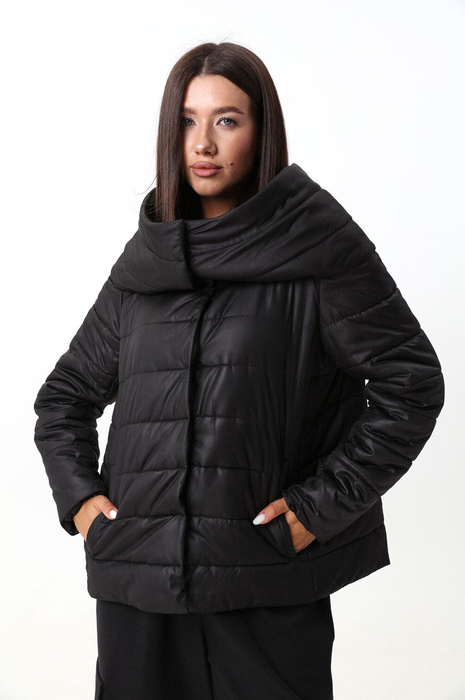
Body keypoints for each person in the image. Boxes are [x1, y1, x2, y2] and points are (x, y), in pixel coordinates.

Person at [34, 42, 444, 700]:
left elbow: (412, 384)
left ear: (262, 131)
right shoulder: (147, 262)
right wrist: (84, 503)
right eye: (187, 122)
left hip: (264, 586)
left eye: (226, 120)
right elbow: (63, 398)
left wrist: (317, 510)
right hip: (139, 593)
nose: (203, 143)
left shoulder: (319, 248)